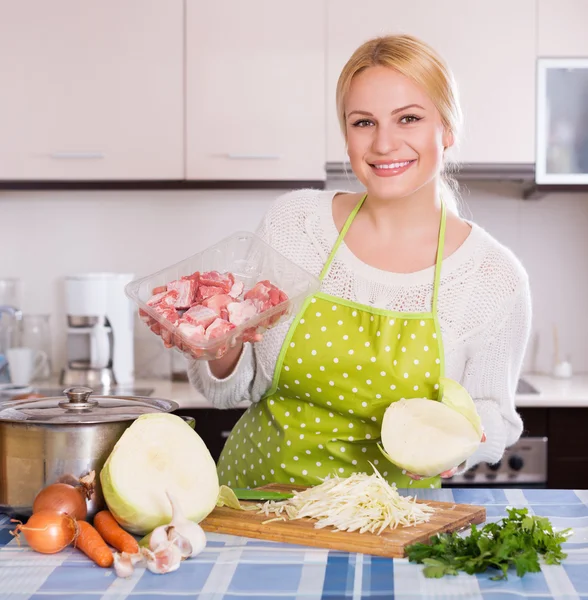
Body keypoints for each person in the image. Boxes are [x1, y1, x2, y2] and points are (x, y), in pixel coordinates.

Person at [188, 34, 532, 490]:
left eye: (408, 118)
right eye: (363, 122)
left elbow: (493, 413)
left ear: (447, 130)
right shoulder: (293, 224)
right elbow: (235, 389)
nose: (384, 144)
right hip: (257, 505)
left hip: (394, 521)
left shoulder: (493, 278)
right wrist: (218, 343)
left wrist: (460, 446)